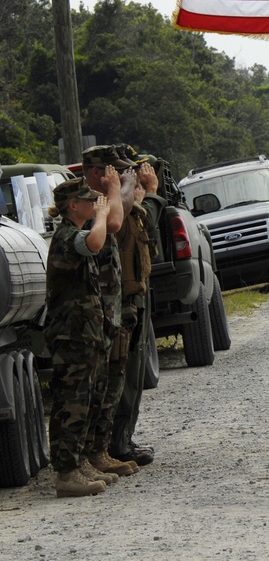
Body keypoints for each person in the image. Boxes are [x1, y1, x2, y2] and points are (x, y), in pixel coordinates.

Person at [44, 179, 112, 497]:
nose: (93, 204)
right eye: (88, 201)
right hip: (70, 335)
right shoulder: (68, 236)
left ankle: (79, 461)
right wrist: (102, 215)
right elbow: (96, 242)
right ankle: (67, 473)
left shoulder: (74, 234)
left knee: (83, 399)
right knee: (71, 401)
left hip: (82, 333)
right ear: (73, 205)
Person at [80, 146, 141, 479]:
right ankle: (86, 456)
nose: (116, 177)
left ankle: (99, 451)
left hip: (110, 309)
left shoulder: (107, 198)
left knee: (112, 383)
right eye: (111, 171)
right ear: (95, 172)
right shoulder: (88, 200)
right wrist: (121, 188)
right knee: (95, 386)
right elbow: (116, 221)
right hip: (94, 312)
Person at [110, 149, 160, 468]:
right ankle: (119, 443)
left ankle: (123, 438)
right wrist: (151, 192)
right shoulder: (122, 211)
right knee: (126, 377)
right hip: (127, 303)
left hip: (135, 297)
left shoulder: (127, 208)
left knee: (134, 371)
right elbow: (149, 220)